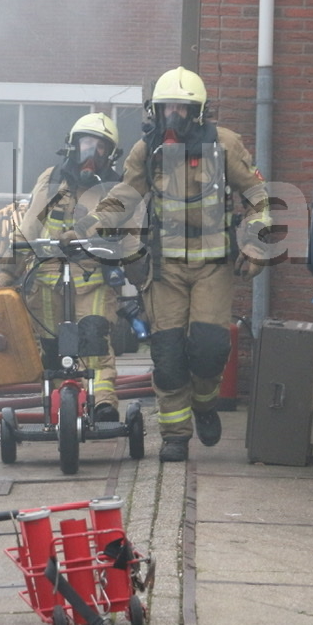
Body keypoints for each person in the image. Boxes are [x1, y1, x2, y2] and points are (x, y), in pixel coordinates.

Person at [66, 67, 272, 463]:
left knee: (210, 348)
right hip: (165, 268)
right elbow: (123, 198)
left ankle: (206, 402)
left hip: (213, 264)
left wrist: (256, 243)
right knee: (168, 353)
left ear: (198, 112)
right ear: (154, 111)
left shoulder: (225, 145)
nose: (173, 116)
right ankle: (175, 435)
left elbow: (259, 197)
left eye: (182, 108)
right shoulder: (145, 152)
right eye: (166, 108)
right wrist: (88, 228)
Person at [0, 113, 128, 422]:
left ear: (111, 154)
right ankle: (57, 407)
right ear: (73, 145)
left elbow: (121, 227)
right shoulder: (52, 179)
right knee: (53, 349)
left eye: (100, 147)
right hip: (47, 278)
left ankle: (103, 402)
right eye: (86, 143)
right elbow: (27, 229)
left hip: (93, 278)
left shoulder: (115, 188)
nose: (92, 152)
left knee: (93, 339)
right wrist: (7, 272)